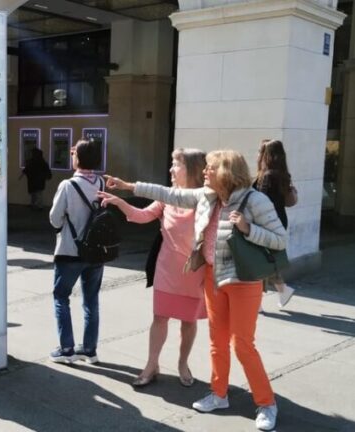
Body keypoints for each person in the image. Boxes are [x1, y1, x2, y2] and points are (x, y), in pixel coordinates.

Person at [103, 150, 286, 431]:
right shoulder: (207, 196)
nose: (204, 172)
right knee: (217, 341)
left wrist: (248, 228)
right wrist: (129, 187)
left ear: (225, 172)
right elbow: (168, 194)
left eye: (210, 168)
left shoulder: (255, 200)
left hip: (243, 281)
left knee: (242, 344)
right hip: (213, 275)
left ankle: (266, 403)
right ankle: (219, 394)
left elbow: (280, 240)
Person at [98, 148, 207, 388]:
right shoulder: (167, 196)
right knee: (160, 318)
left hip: (194, 271)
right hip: (167, 268)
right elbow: (141, 215)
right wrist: (119, 202)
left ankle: (182, 363)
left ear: (192, 170)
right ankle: (151, 364)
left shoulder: (205, 200)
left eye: (176, 164)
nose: (170, 169)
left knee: (189, 321)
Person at [48, 139, 105, 364]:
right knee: (91, 300)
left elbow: (54, 219)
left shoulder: (67, 186)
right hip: (96, 252)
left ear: (78, 158)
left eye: (74, 154)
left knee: (61, 297)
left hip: (70, 251)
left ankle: (67, 349)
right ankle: (89, 350)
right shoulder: (100, 182)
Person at [254, 139, 295, 308]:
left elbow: (259, 202)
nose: (257, 155)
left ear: (267, 155)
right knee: (265, 260)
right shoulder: (283, 175)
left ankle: (277, 291)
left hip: (266, 223)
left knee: (259, 261)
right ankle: (280, 290)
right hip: (278, 220)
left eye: (260, 151)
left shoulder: (267, 177)